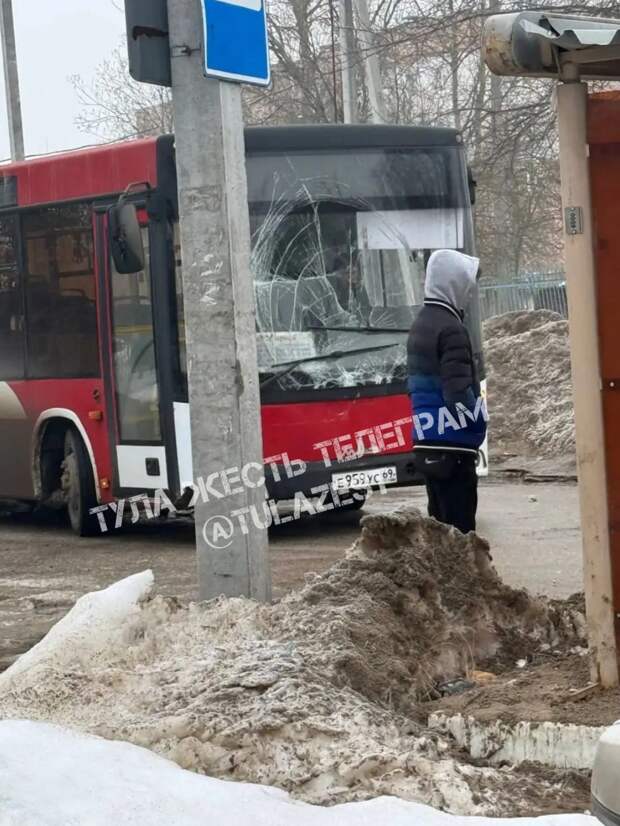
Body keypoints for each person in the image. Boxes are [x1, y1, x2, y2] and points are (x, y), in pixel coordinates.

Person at [407, 249, 487, 534]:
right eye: (466, 285)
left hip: (427, 441)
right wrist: (478, 423)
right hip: (453, 447)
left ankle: (441, 580)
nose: (468, 293)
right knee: (461, 533)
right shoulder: (451, 328)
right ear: (453, 283)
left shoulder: (420, 324)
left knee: (439, 530)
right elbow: (457, 392)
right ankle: (463, 581)